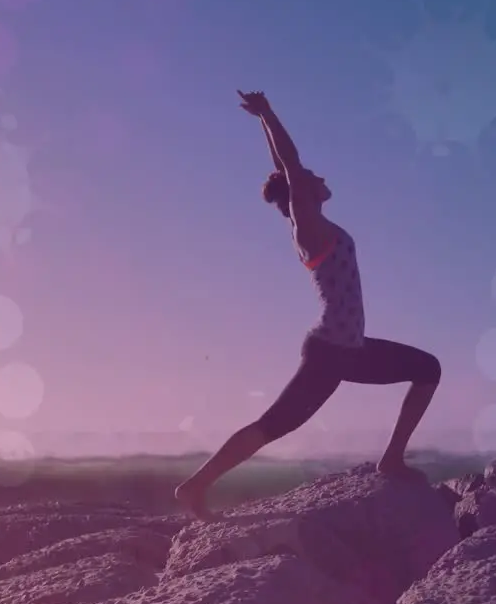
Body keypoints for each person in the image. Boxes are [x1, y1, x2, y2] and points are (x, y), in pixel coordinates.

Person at [173, 90, 442, 521]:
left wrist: (263, 121)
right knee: (273, 426)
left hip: (351, 351)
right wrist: (267, 114)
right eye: (310, 176)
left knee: (427, 368)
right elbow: (290, 167)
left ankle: (392, 459)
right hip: (330, 353)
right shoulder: (309, 229)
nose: (318, 176)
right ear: (299, 194)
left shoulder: (320, 224)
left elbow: (289, 170)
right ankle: (194, 487)